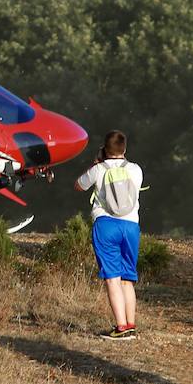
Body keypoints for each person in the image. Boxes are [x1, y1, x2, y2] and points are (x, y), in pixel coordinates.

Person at [74, 130, 144, 340]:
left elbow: (78, 186)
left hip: (106, 224)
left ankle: (120, 327)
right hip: (131, 226)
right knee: (127, 279)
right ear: (124, 149)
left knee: (112, 278)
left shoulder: (98, 169)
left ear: (104, 148)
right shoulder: (136, 169)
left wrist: (96, 163)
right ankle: (130, 325)